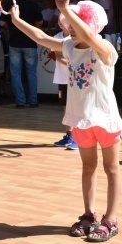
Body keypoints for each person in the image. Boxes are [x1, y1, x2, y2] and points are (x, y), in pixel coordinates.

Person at [10, 0, 122, 243]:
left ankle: (111, 219)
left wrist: (65, 10)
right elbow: (40, 37)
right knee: (88, 167)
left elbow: (89, 36)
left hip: (104, 118)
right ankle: (88, 215)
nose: (70, 29)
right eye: (68, 24)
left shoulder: (104, 48)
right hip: (80, 118)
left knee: (111, 169)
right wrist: (16, 20)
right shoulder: (69, 46)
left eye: (75, 23)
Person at [0, 0, 43, 108]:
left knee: (16, 73)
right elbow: (40, 21)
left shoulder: (9, 4)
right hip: (30, 42)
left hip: (14, 42)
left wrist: (10, 26)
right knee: (31, 73)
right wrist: (33, 29)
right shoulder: (33, 4)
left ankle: (20, 102)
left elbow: (2, 23)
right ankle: (33, 101)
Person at [52, 14, 77, 150]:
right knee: (66, 107)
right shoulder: (57, 37)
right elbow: (58, 56)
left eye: (64, 21)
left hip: (77, 79)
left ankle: (78, 137)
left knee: (77, 107)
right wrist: (73, 62)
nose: (61, 23)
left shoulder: (76, 37)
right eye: (59, 21)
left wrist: (75, 64)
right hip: (62, 78)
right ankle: (69, 135)